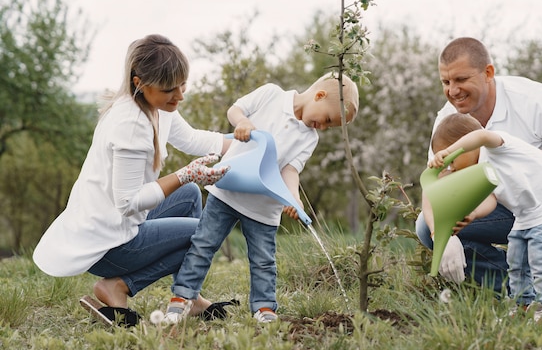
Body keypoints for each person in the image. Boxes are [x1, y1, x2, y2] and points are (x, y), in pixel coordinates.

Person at [33, 34, 236, 327]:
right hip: (107, 244)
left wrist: (248, 144)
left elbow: (193, 139)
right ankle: (119, 284)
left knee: (191, 193)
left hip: (118, 225)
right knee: (205, 231)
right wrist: (184, 174)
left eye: (183, 85)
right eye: (170, 89)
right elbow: (128, 203)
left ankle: (188, 296)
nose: (179, 95)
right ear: (141, 82)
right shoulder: (131, 126)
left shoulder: (153, 105)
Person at [159, 73, 360, 324]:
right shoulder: (271, 95)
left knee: (264, 260)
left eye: (329, 126)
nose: (323, 127)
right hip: (228, 190)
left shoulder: (310, 138)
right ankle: (182, 299)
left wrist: (293, 199)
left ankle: (264, 308)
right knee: (203, 244)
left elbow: (290, 170)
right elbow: (236, 110)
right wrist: (242, 122)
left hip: (264, 207)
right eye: (327, 119)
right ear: (319, 96)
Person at [415, 37, 542, 292]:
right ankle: (518, 289)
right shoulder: (448, 120)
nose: (453, 91)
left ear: (488, 73)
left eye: (461, 80)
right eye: (446, 82)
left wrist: (520, 165)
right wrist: (441, 236)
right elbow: (436, 184)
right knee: (426, 226)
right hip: (504, 202)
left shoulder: (532, 99)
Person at [426, 113, 542, 320]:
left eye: (452, 161)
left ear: (464, 145)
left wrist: (449, 150)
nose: (451, 167)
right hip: (525, 216)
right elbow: (490, 200)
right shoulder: (480, 172)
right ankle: (522, 306)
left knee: (541, 263)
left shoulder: (495, 143)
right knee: (516, 263)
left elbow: (479, 136)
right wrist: (473, 214)